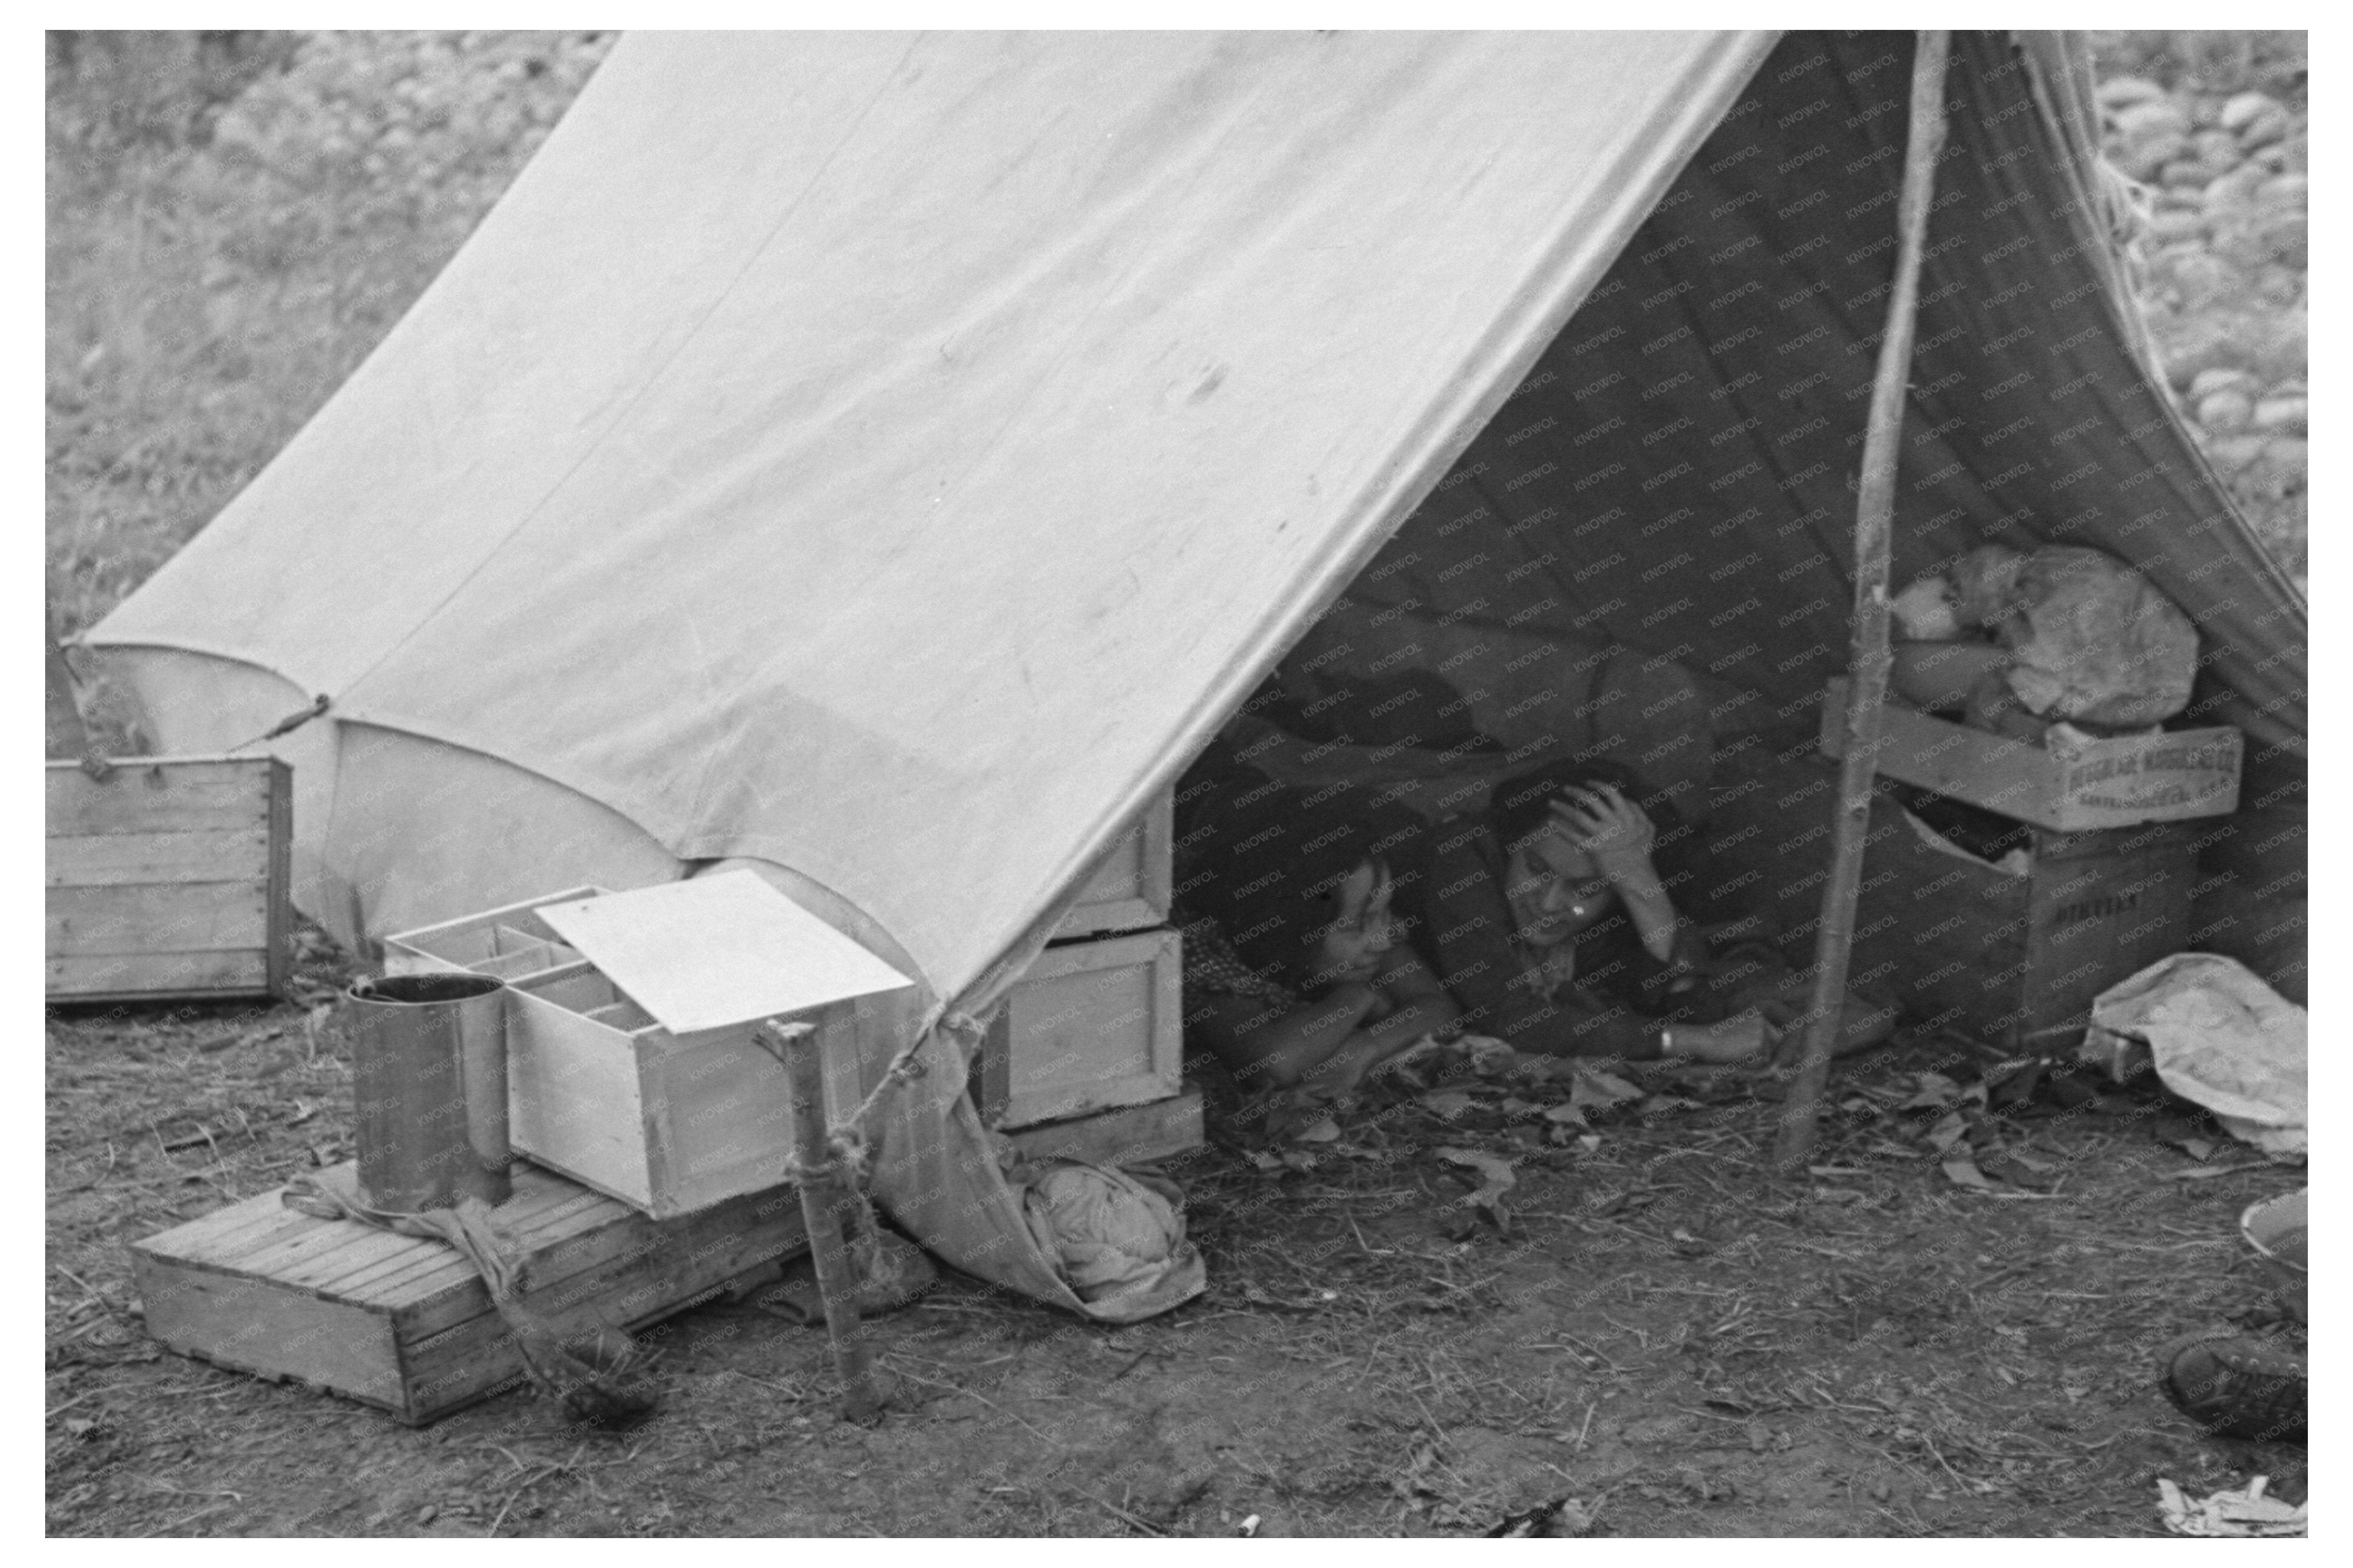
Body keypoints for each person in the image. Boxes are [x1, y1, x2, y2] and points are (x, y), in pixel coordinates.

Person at [1410, 756, 1895, 1064]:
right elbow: (1509, 1018)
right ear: (1510, 843)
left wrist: (1638, 881)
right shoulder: (1464, 859)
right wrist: (1682, 1041)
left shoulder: (1609, 923)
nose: (1549, 902)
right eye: (1536, 868)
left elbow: (1692, 997)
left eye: (1587, 886)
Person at [1173, 781, 1460, 1096]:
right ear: (1287, 928)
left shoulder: (1367, 930)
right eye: (1355, 925)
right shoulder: (1208, 948)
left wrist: (1366, 1046)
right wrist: (1356, 998)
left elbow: (1438, 1007)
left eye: (1384, 912)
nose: (1383, 940)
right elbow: (1274, 1064)